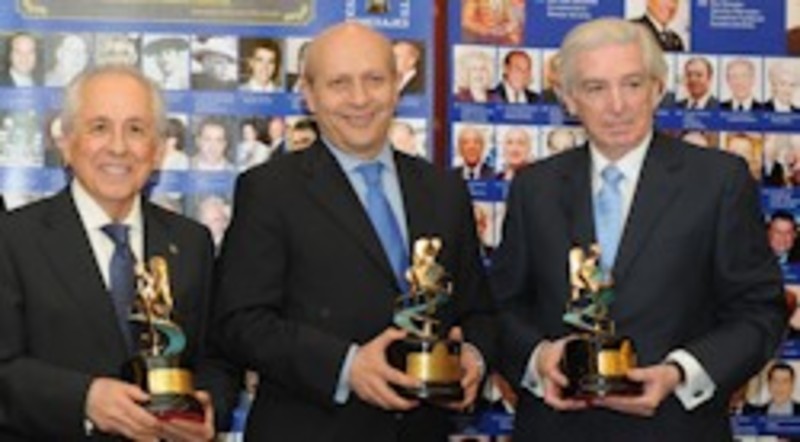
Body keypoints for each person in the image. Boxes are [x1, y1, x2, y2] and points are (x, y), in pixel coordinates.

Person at [491, 18, 786, 441]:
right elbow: (500, 308)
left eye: (632, 84)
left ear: (657, 88)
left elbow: (760, 310)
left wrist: (681, 372)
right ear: (569, 99)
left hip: (676, 427)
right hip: (557, 427)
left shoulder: (719, 180)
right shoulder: (533, 187)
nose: (618, 105)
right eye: (596, 88)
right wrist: (540, 358)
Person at [213, 22, 495, 442]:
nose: (360, 98)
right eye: (339, 83)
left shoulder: (444, 191)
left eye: (374, 79)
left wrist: (473, 356)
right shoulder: (268, 190)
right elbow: (239, 322)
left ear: (397, 86)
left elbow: (478, 311)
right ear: (309, 95)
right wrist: (346, 367)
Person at [0, 65, 237, 440]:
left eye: (136, 129)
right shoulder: (12, 240)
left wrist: (208, 408)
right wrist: (84, 400)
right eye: (99, 127)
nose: (118, 147)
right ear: (66, 142)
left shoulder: (192, 242)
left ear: (158, 150)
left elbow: (217, 359)